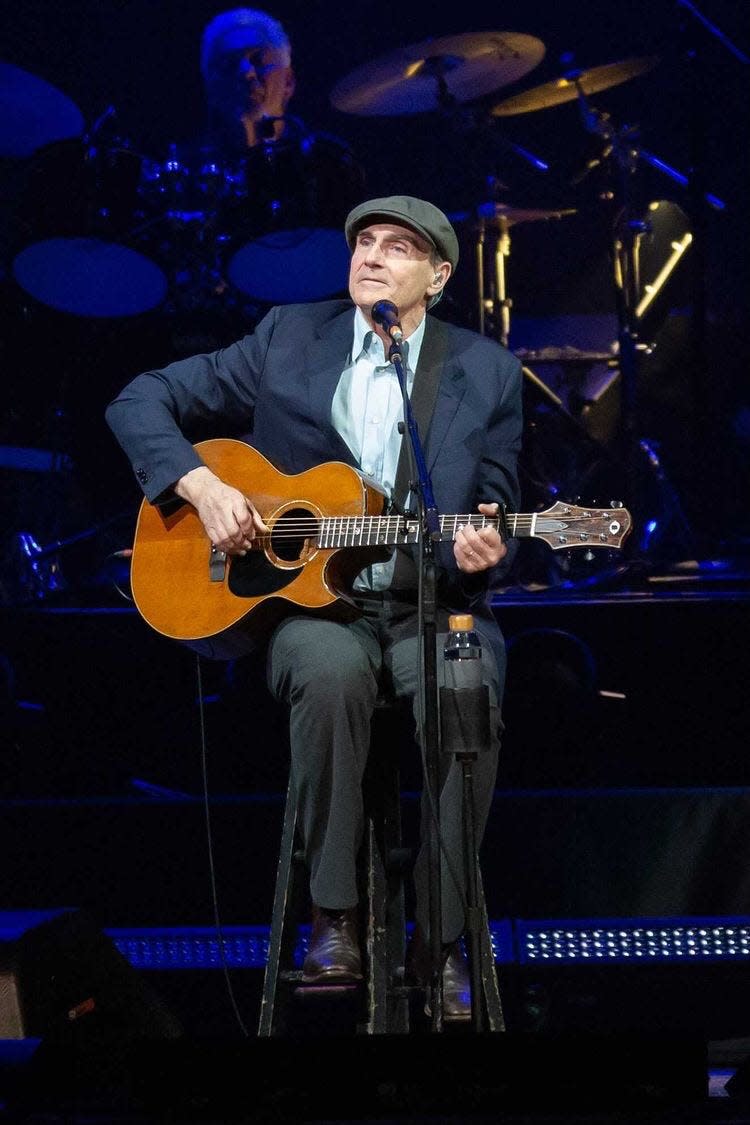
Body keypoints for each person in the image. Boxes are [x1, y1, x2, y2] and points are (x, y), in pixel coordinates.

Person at [105, 195, 523, 1021]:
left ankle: (438, 940)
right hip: (314, 613)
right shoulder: (289, 335)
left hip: (427, 605)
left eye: (397, 247)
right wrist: (202, 484)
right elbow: (137, 400)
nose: (370, 254)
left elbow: (497, 501)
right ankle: (334, 917)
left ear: (436, 278)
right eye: (362, 240)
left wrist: (484, 544)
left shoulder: (486, 370)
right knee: (330, 675)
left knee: (465, 679)